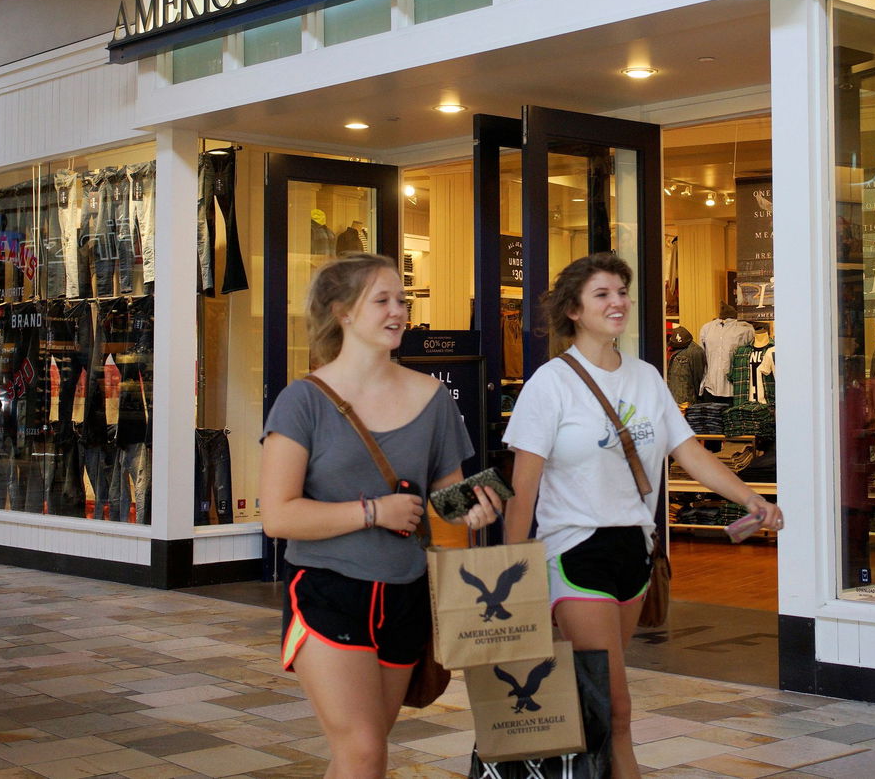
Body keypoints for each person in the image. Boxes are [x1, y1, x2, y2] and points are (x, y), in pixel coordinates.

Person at [503, 252, 784, 779]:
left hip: (636, 551)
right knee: (617, 706)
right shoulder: (551, 383)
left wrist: (751, 499)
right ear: (573, 311)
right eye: (603, 295)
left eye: (622, 292)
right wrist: (517, 585)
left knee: (595, 702)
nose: (618, 303)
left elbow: (691, 453)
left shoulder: (646, 377)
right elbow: (523, 491)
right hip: (573, 553)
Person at [260, 253, 501, 779]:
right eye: (383, 300)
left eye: (402, 300)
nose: (399, 312)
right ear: (343, 312)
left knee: (364, 752)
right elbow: (277, 516)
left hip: (406, 597)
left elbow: (445, 503)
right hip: (327, 593)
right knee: (364, 751)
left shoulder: (434, 398)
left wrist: (474, 509)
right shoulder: (303, 401)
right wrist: (373, 512)